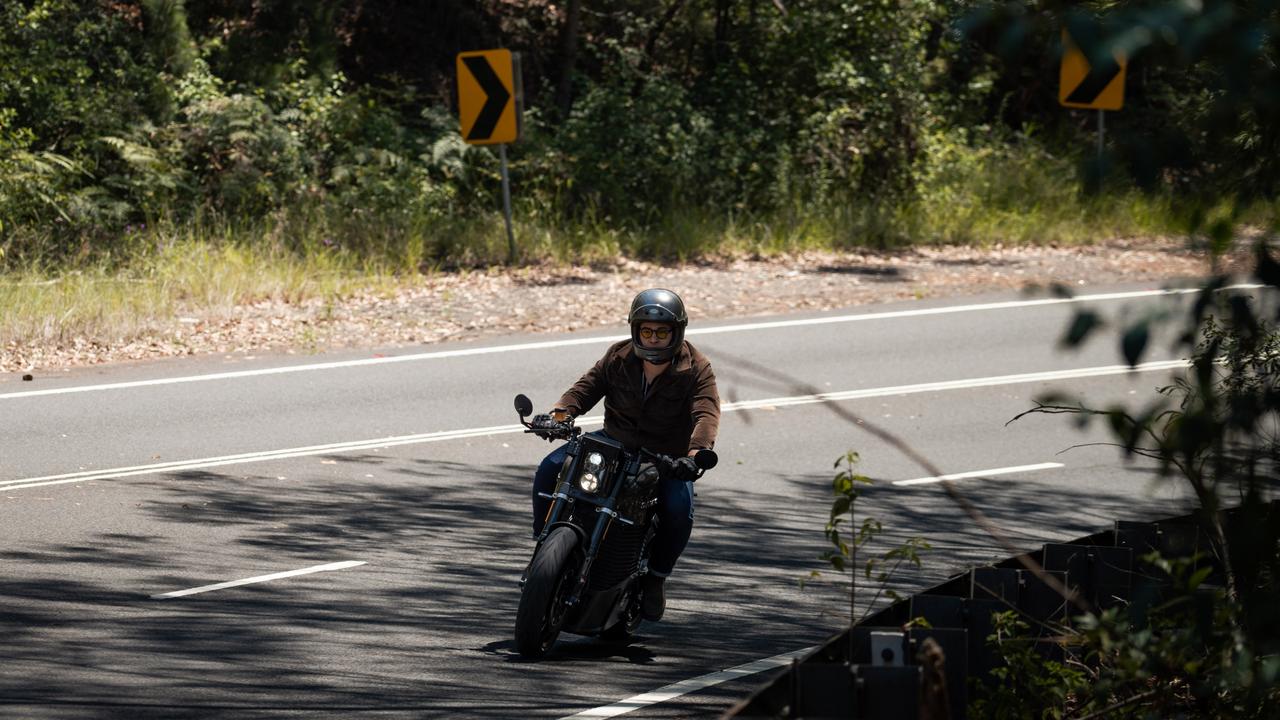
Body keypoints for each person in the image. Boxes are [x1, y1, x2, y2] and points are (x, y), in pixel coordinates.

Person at [529, 288, 720, 621]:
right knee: (549, 469)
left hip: (664, 457)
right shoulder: (618, 357)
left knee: (679, 510)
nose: (654, 338)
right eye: (647, 331)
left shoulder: (696, 368)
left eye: (662, 332)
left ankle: (656, 579)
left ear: (677, 332)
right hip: (612, 443)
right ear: (636, 330)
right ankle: (543, 545)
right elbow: (584, 388)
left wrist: (695, 455)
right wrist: (559, 417)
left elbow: (706, 412)